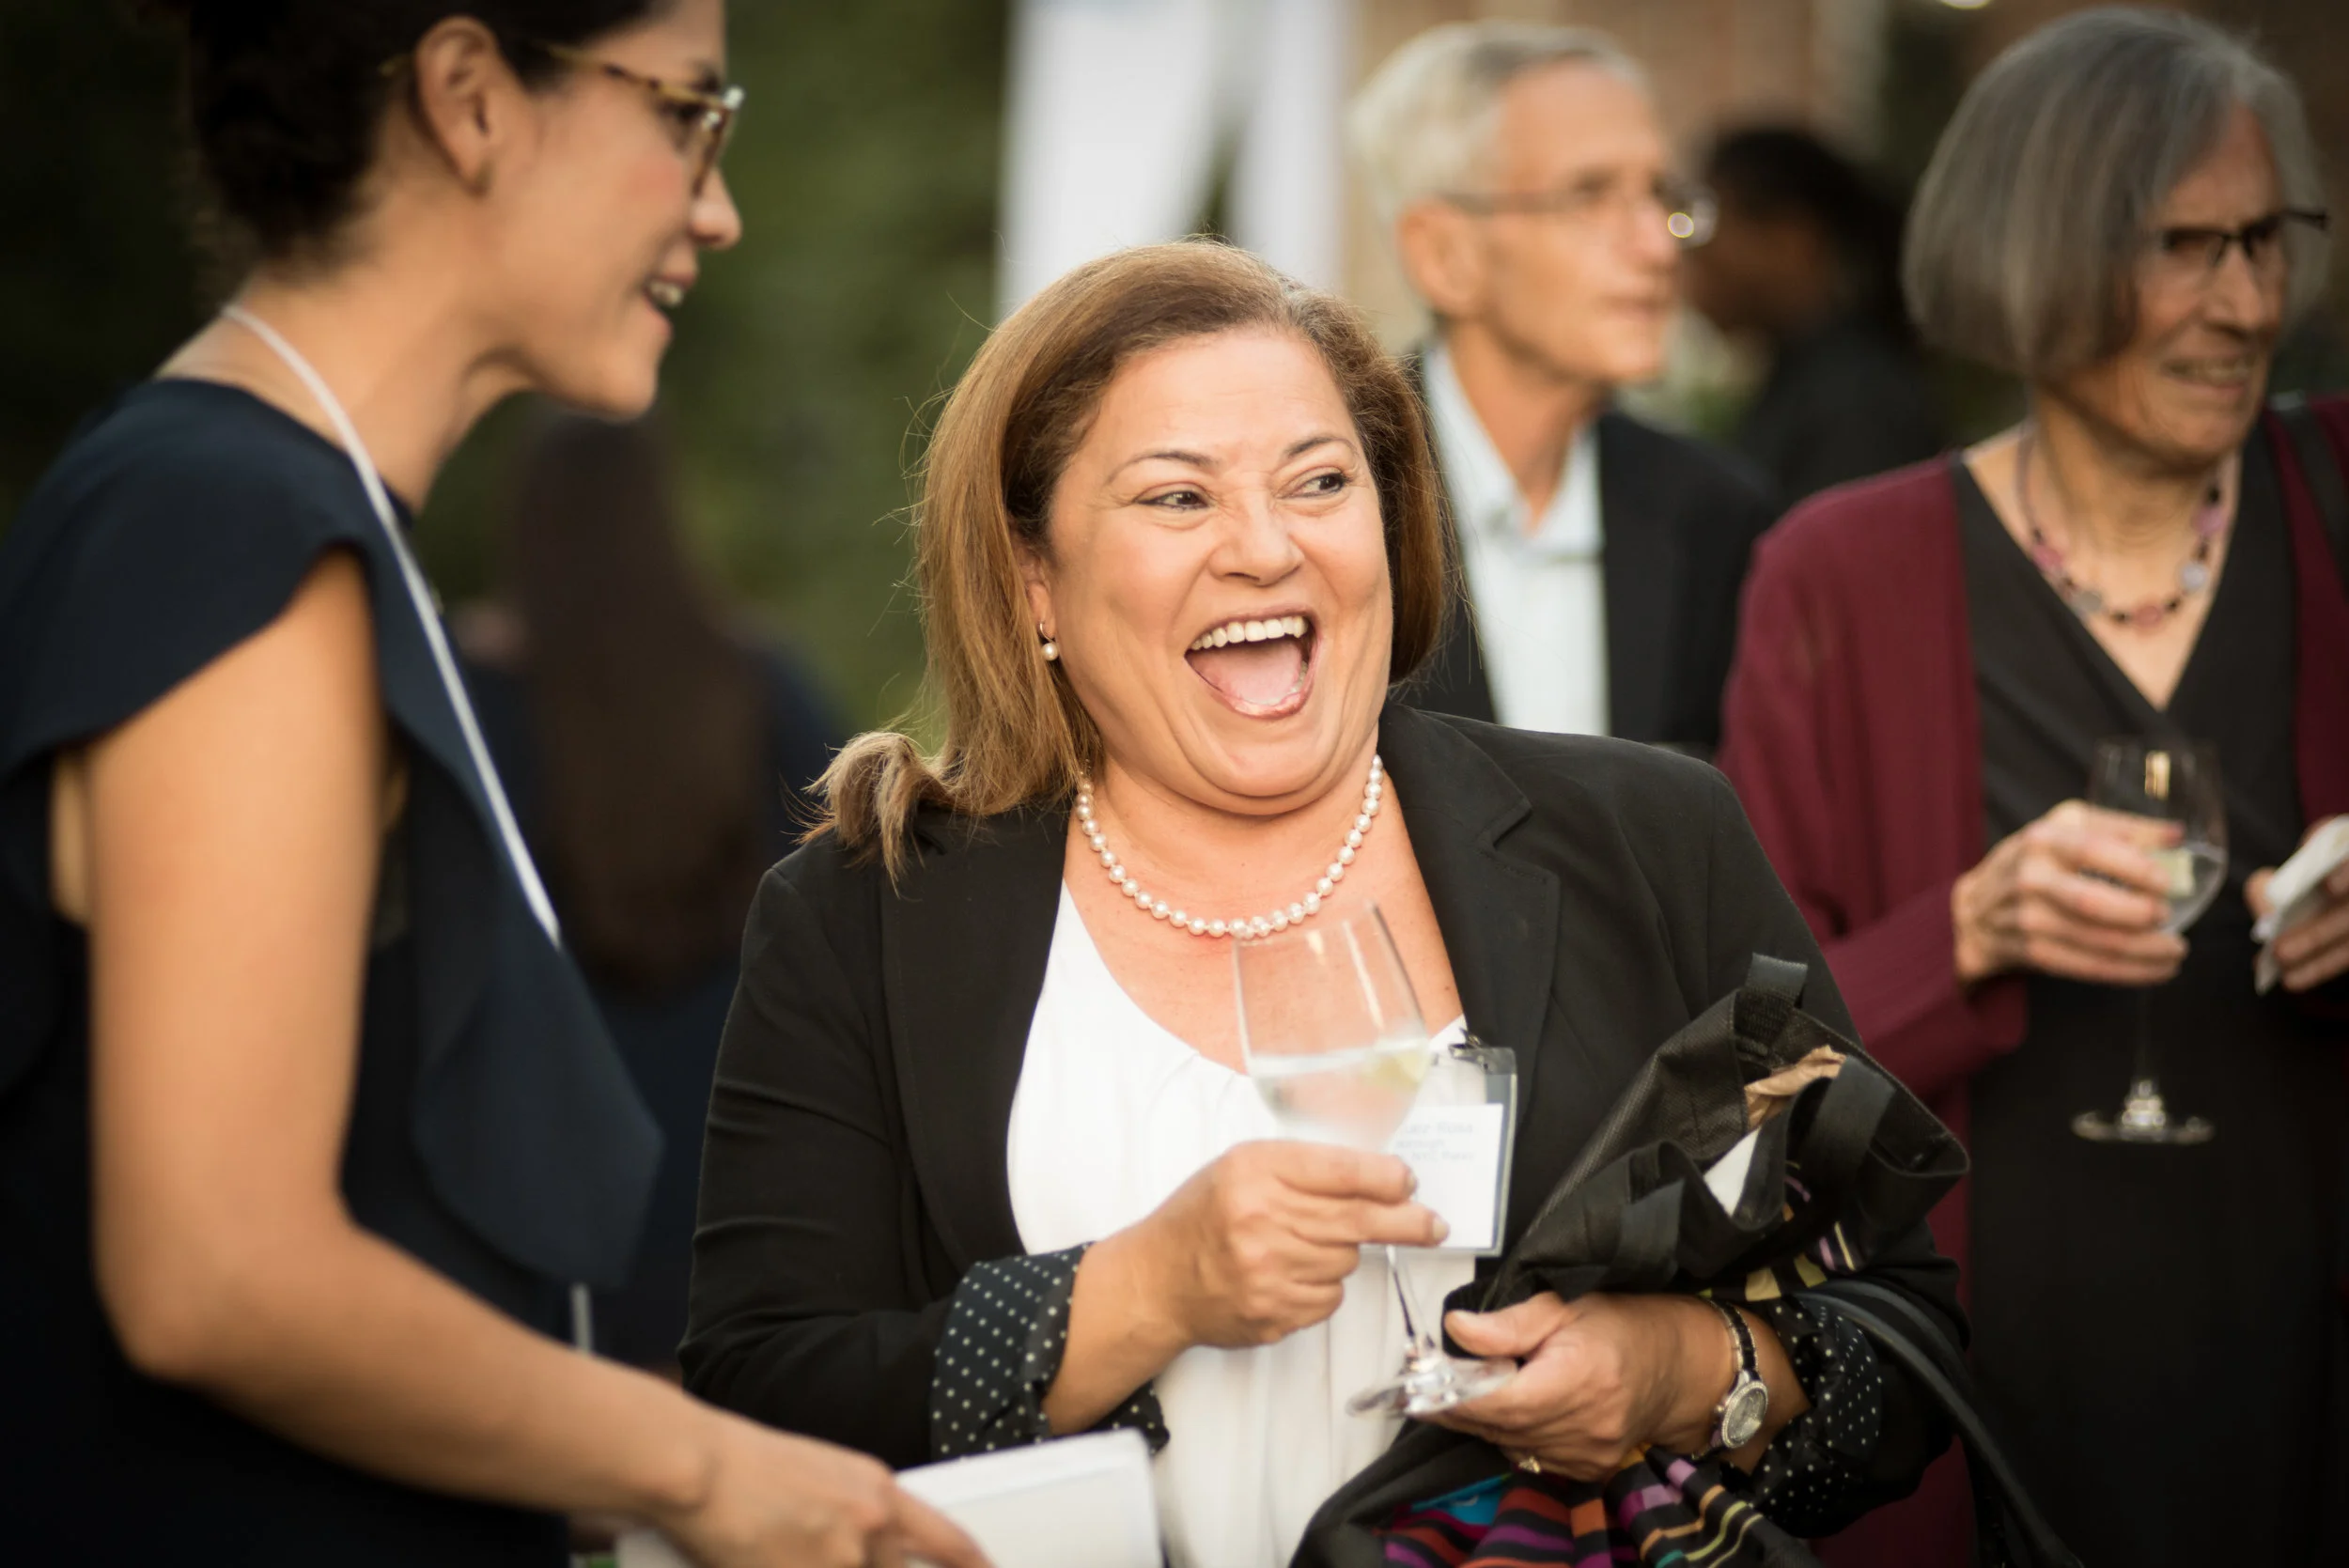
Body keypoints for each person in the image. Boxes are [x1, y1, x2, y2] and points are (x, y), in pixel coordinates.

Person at [679, 240, 1965, 1568]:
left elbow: (1907, 1348)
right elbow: (760, 1397)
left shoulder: (1650, 838)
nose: (1265, 546)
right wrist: (1142, 1292)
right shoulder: (871, 913)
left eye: (1320, 481)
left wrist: (1677, 1368)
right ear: (1033, 583)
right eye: (1177, 497)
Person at [0, 4, 979, 1565]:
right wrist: (699, 1465)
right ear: (469, 97)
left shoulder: (264, 515)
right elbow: (219, 1268)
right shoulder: (232, 531)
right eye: (683, 115)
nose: (716, 205)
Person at [1716, 11, 2349, 1565]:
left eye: (2267, 241)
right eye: (2184, 249)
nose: (2244, 302)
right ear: (2031, 248)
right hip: (1980, 1403)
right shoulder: (1840, 574)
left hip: (2313, 1390)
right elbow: (1728, 1065)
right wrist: (1967, 930)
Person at [458, 411, 845, 1374]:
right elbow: (857, 894)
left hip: (544, 1143)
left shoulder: (467, 695)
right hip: (734, 1143)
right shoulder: (762, 683)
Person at [1346, 23, 1777, 753]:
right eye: (1590, 195)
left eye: (1660, 195)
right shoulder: (1330, 501)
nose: (1656, 246)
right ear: (1443, 253)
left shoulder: (1718, 517)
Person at [1682, 126, 1943, 505]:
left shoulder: (1858, 403)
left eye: (1710, 221)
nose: (1694, 251)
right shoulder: (1803, 378)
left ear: (1792, 238)